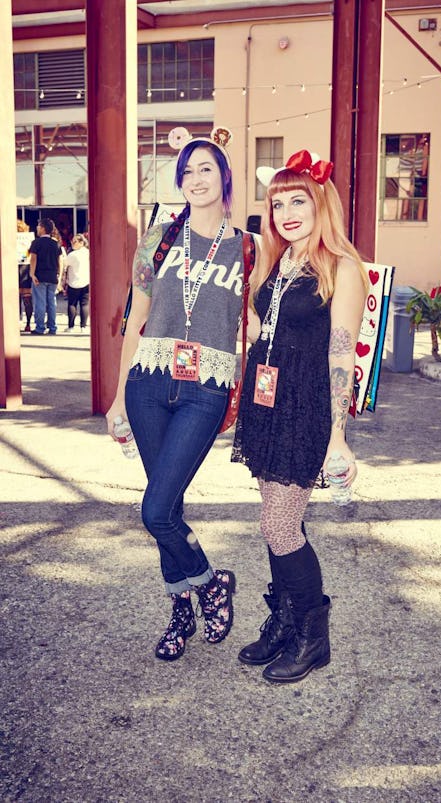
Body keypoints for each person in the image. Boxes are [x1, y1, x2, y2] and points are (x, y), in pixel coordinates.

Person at [105, 126, 253, 662]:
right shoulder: (160, 237)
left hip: (205, 389)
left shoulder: (249, 248)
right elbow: (134, 318)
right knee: (167, 502)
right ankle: (184, 610)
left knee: (154, 512)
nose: (195, 179)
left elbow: (257, 316)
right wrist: (120, 395)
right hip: (148, 383)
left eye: (205, 168)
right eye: (186, 171)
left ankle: (211, 583)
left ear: (225, 178)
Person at [231, 149, 368, 683]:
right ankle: (285, 621)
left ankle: (314, 634)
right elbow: (264, 322)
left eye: (299, 200)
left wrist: (339, 436)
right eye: (278, 202)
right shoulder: (277, 260)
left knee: (279, 522)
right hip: (268, 404)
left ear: (321, 203)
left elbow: (341, 353)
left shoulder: (342, 267)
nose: (287, 212)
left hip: (307, 407)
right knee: (277, 521)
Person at [28, 218, 63, 335]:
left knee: (40, 303)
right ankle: (52, 327)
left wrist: (32, 274)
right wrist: (59, 275)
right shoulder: (55, 243)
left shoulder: (36, 243)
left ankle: (40, 327)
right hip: (53, 277)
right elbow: (60, 261)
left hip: (39, 277)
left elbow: (33, 259)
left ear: (42, 228)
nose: (37, 228)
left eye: (38, 226)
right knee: (52, 303)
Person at [62, 234, 90, 333]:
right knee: (84, 304)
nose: (72, 244)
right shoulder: (88, 253)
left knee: (72, 304)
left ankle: (71, 326)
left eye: (75, 242)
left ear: (81, 243)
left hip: (74, 282)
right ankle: (83, 326)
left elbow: (64, 264)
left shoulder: (72, 255)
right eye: (72, 241)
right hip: (87, 281)